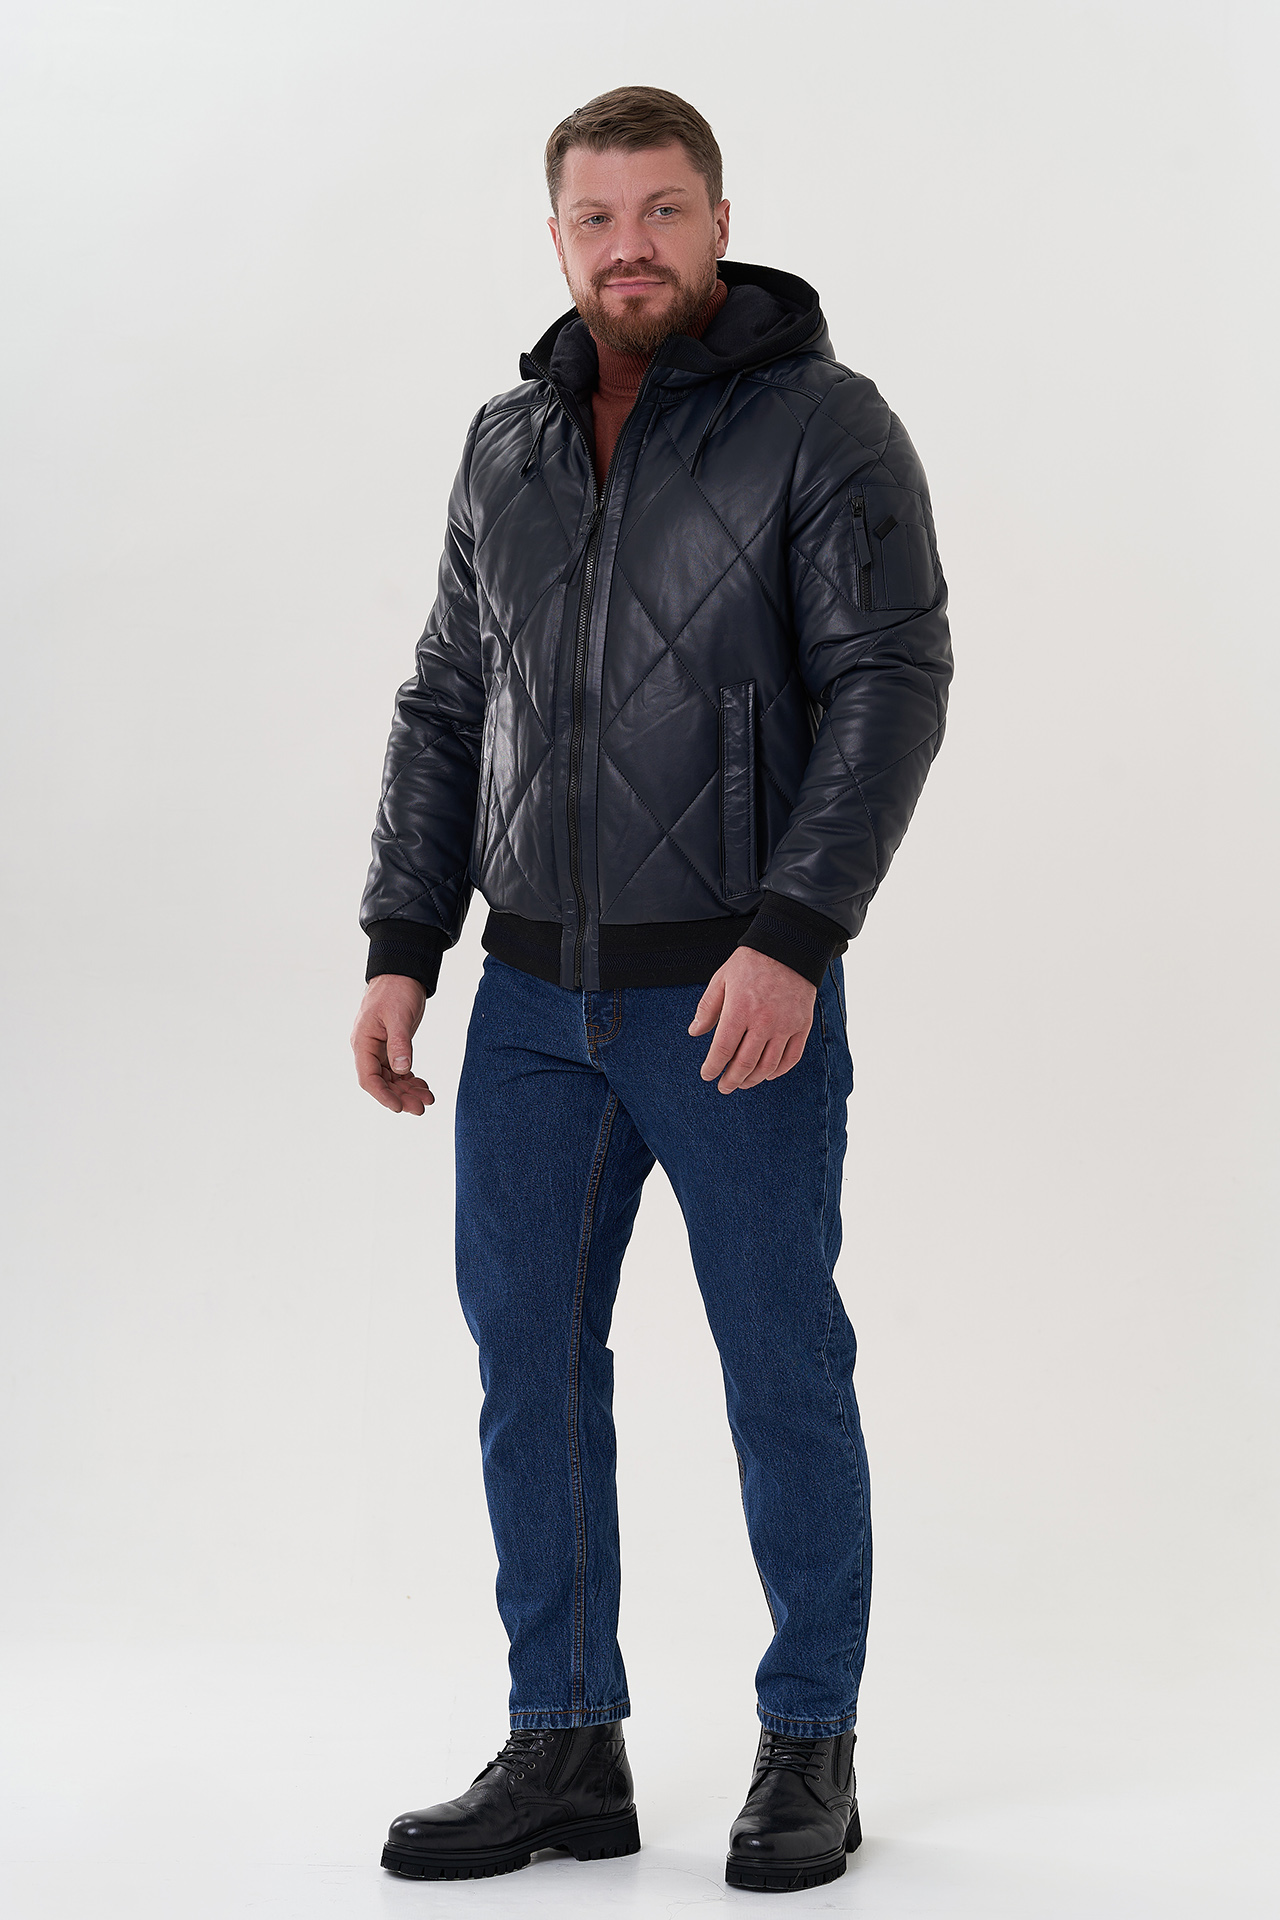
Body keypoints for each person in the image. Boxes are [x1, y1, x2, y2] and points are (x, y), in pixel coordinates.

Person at [351, 84, 952, 1895]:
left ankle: (811, 1741)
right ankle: (564, 1746)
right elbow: (448, 700)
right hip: (531, 1004)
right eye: (597, 218)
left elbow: (892, 681)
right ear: (557, 238)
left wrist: (795, 933)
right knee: (526, 1375)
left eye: (664, 210)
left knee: (780, 1366)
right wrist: (402, 946)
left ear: (719, 222)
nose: (631, 247)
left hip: (731, 999)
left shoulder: (826, 425)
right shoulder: (506, 446)